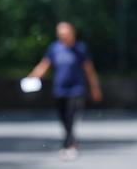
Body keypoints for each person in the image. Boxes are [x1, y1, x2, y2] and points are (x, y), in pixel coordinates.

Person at [26, 21, 102, 160]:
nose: (62, 36)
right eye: (60, 34)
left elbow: (89, 70)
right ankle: (71, 142)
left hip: (76, 89)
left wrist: (95, 88)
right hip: (60, 90)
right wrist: (32, 76)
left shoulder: (80, 49)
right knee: (63, 119)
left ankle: (69, 145)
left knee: (71, 117)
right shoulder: (54, 48)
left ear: (72, 33)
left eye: (65, 33)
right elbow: (44, 65)